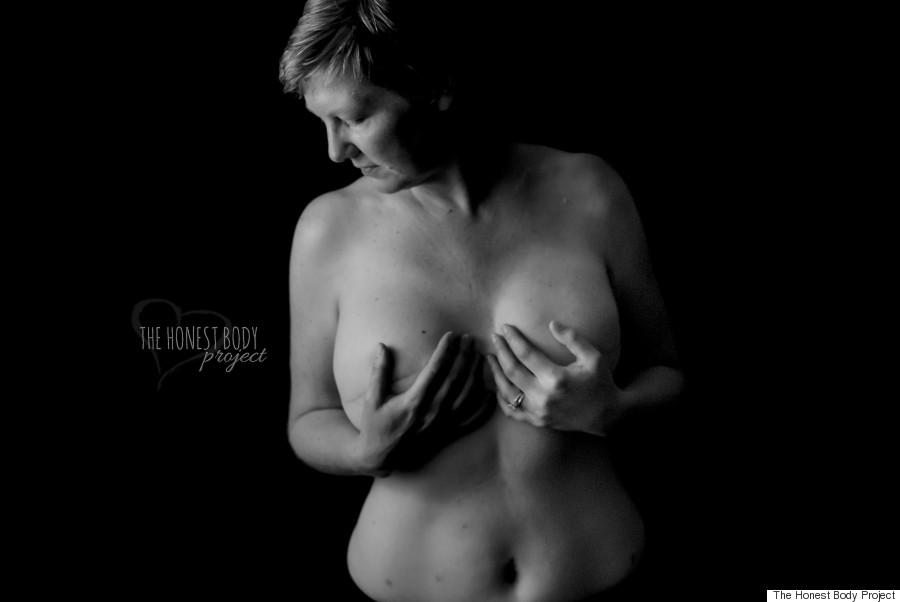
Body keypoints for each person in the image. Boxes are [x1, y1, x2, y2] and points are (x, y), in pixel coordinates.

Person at [281, 1, 685, 600]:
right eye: (322, 123)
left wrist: (615, 410)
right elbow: (307, 419)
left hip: (605, 582)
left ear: (436, 86)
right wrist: (364, 451)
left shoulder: (591, 192)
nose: (335, 151)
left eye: (355, 118)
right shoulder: (327, 230)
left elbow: (669, 373)